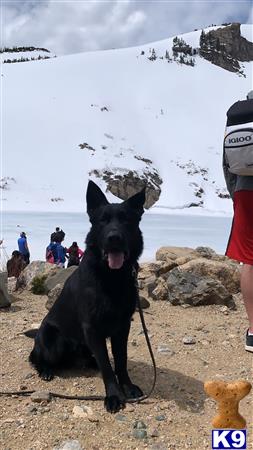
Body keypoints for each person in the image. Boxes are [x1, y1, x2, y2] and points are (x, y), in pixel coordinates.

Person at [223, 90, 253, 352]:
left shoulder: (238, 116)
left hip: (245, 191)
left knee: (250, 260)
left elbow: (227, 162)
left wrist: (236, 194)